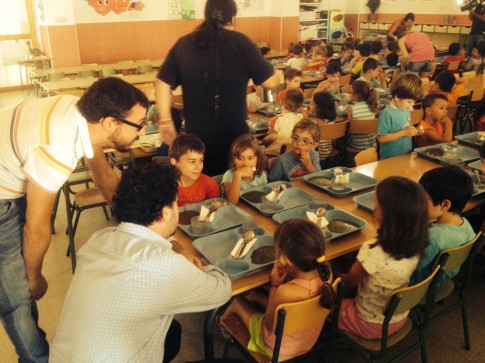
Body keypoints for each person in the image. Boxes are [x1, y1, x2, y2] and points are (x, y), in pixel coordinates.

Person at [0, 77, 150, 362]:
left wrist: (138, 224)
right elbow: (37, 230)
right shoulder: (57, 148)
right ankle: (35, 358)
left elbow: (105, 177)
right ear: (109, 123)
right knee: (17, 293)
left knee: (20, 279)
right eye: (139, 124)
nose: (142, 133)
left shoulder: (82, 115)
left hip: (11, 163)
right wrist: (34, 277)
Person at [50, 163, 232, 362]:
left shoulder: (99, 238)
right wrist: (202, 264)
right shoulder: (163, 265)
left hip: (63, 356)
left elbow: (154, 239)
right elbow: (222, 289)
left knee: (172, 333)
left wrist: (177, 247)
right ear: (165, 212)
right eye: (175, 203)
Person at [155, 0, 280, 176]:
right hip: (236, 139)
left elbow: (161, 83)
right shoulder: (241, 42)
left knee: (205, 189)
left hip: (198, 140)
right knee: (237, 188)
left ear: (206, 16)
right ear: (233, 18)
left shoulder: (184, 44)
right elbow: (271, 82)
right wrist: (275, 72)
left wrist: (165, 122)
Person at [220, 219, 336, 360]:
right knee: (255, 296)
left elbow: (269, 324)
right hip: (308, 342)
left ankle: (223, 325)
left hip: (276, 349)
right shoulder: (327, 275)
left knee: (238, 301)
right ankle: (254, 297)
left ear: (288, 260)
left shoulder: (286, 291)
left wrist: (274, 285)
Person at [338, 176, 428, 339]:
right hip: (397, 317)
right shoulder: (417, 243)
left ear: (388, 215)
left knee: (323, 303)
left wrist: (330, 273)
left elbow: (348, 282)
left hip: (368, 324)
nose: (374, 208)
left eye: (377, 205)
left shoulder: (373, 251)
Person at [410, 166, 475, 286]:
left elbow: (411, 265)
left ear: (445, 205)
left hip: (418, 285)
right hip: (445, 275)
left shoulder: (434, 237)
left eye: (422, 199)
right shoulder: (465, 224)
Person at [377, 73, 423, 159]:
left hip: (406, 154)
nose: (412, 105)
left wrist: (414, 130)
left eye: (414, 101)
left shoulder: (405, 109)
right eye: (409, 101)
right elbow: (381, 138)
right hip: (391, 158)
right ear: (397, 97)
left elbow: (406, 126)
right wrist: (404, 133)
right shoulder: (387, 114)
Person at [169, 134, 220, 207]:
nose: (199, 167)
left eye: (201, 161)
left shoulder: (210, 185)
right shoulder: (165, 187)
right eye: (192, 162)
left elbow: (216, 211)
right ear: (174, 162)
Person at [222, 134, 267, 204]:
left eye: (250, 158)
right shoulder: (229, 175)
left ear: (257, 159)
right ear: (233, 159)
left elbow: (264, 198)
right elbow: (232, 202)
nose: (245, 163)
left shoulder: (261, 175)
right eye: (240, 158)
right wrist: (237, 175)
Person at [263, 88, 304, 155]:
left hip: (275, 152)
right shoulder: (300, 120)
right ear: (299, 107)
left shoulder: (276, 119)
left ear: (282, 102)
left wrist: (263, 141)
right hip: (292, 152)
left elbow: (273, 137)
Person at [348, 80, 378, 150]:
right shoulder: (373, 107)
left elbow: (348, 128)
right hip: (372, 144)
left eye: (350, 92)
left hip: (356, 144)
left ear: (355, 95)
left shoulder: (351, 110)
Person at [309, 91, 337, 162]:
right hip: (328, 151)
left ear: (319, 107)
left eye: (312, 103)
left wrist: (304, 116)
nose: (309, 105)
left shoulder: (314, 123)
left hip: (315, 154)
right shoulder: (331, 121)